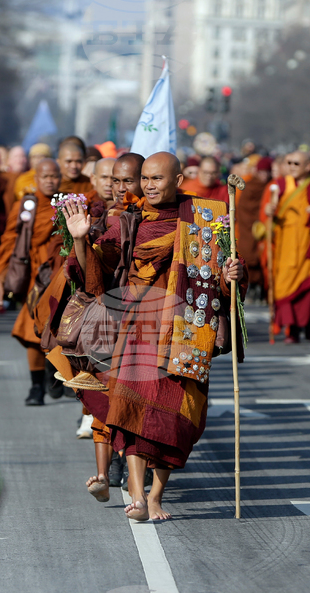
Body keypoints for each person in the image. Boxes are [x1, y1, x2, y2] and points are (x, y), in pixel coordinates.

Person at [61, 152, 245, 520]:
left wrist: (231, 273)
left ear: (177, 181)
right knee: (132, 406)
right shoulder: (129, 222)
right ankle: (138, 495)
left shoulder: (205, 217)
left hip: (187, 330)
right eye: (144, 178)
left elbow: (221, 277)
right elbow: (97, 278)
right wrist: (80, 240)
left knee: (178, 416)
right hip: (138, 328)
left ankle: (157, 494)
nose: (148, 185)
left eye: (157, 179)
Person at [0, 159, 62, 406]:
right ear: (36, 179)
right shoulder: (27, 206)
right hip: (34, 279)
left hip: (59, 276)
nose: (51, 181)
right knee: (32, 330)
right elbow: (10, 239)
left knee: (58, 331)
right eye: (46, 177)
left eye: (55, 176)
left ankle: (54, 376)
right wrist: (1, 278)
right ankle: (35, 387)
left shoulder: (69, 203)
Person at [261, 151, 310, 342]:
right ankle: (292, 328)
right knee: (282, 287)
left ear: (307, 166)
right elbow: (267, 213)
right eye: (289, 163)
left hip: (307, 245)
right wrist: (268, 210)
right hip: (284, 247)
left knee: (308, 288)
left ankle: (308, 324)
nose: (291, 167)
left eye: (296, 164)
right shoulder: (279, 185)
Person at [235, 156, 272, 297]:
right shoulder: (250, 186)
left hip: (265, 224)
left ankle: (261, 287)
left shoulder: (270, 186)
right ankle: (250, 285)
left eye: (267, 172)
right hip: (248, 226)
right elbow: (244, 207)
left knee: (263, 253)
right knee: (249, 253)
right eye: (261, 172)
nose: (264, 175)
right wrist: (254, 219)